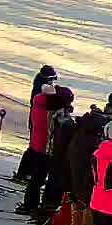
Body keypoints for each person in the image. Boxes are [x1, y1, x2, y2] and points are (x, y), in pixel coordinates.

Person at [18, 84, 74, 214]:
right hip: (47, 149)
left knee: (37, 178)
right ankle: (34, 205)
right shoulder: (52, 112)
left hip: (38, 145)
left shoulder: (40, 103)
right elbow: (56, 129)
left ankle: (30, 204)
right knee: (42, 178)